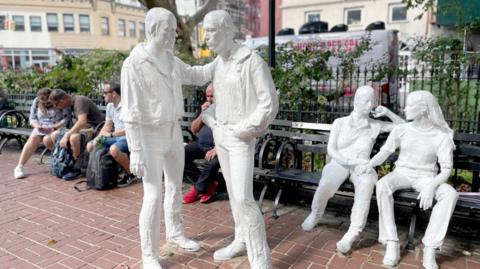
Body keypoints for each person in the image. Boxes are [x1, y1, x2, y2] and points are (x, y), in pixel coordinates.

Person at [120, 8, 213, 269]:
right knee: (152, 193)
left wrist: (222, 60)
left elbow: (195, 75)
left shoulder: (171, 60)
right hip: (148, 136)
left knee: (174, 186)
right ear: (153, 30)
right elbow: (130, 112)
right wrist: (135, 150)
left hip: (173, 131)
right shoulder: (134, 64)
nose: (175, 34)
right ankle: (148, 254)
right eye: (169, 29)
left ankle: (175, 233)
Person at [200, 10, 279, 269]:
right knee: (234, 193)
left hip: (240, 137)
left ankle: (261, 258)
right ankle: (241, 240)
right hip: (221, 136)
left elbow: (269, 104)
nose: (206, 36)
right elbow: (197, 78)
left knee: (244, 197)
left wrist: (244, 129)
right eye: (206, 30)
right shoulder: (218, 64)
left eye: (211, 30)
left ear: (226, 30)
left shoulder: (251, 61)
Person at [358, 91, 458, 269]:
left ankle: (430, 248)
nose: (405, 108)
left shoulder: (441, 136)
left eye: (410, 105)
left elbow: (447, 169)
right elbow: (384, 153)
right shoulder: (402, 129)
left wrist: (432, 187)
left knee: (450, 194)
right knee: (382, 185)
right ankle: (392, 241)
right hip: (402, 173)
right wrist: (369, 164)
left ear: (423, 109)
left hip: (426, 177)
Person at [301, 86, 405, 254]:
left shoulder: (375, 125)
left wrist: (387, 112)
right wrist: (349, 161)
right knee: (327, 182)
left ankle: (352, 233)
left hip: (363, 165)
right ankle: (316, 213)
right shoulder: (340, 123)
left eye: (373, 101)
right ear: (356, 101)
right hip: (339, 162)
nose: (370, 104)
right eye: (366, 100)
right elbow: (332, 150)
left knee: (367, 183)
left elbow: (405, 127)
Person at [86, 82, 137, 186]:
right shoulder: (110, 106)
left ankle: (131, 174)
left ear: (113, 93)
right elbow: (107, 125)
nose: (103, 95)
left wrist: (112, 134)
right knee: (91, 145)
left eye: (105, 92)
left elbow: (131, 129)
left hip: (127, 137)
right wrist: (99, 137)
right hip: (114, 137)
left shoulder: (127, 107)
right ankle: (101, 174)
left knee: (114, 149)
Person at [49, 89, 104, 180]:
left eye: (56, 104)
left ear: (62, 100)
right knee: (54, 135)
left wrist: (67, 135)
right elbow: (67, 122)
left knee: (73, 137)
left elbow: (82, 121)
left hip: (94, 129)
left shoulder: (80, 101)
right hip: (81, 129)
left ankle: (76, 167)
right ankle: (63, 162)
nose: (56, 107)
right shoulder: (68, 105)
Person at [13, 88, 68, 179]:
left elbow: (66, 119)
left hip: (56, 127)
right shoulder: (36, 102)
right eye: (43, 100)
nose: (46, 102)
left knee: (47, 140)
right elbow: (32, 118)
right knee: (33, 138)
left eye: (48, 100)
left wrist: (53, 127)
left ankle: (60, 162)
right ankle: (20, 166)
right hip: (41, 127)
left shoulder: (57, 100)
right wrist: (37, 126)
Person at [183, 84, 220, 204]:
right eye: (207, 96)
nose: (209, 99)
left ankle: (197, 189)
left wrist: (217, 148)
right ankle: (208, 184)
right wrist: (202, 114)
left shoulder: (225, 109)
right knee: (180, 155)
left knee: (212, 163)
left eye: (212, 96)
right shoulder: (205, 107)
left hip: (219, 148)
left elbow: (228, 133)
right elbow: (193, 129)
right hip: (201, 144)